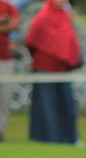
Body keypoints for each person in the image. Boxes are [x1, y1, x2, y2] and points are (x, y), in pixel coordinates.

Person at [25, 0, 81, 145]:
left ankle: (69, 138)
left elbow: (70, 39)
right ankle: (50, 138)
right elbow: (32, 40)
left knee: (67, 104)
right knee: (46, 106)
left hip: (63, 69)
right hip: (44, 68)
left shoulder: (66, 16)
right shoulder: (43, 17)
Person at [0, 0, 19, 142]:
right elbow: (9, 24)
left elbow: (15, 24)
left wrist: (6, 23)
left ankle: (0, 131)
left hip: (5, 58)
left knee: (4, 98)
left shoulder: (8, 6)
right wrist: (3, 24)